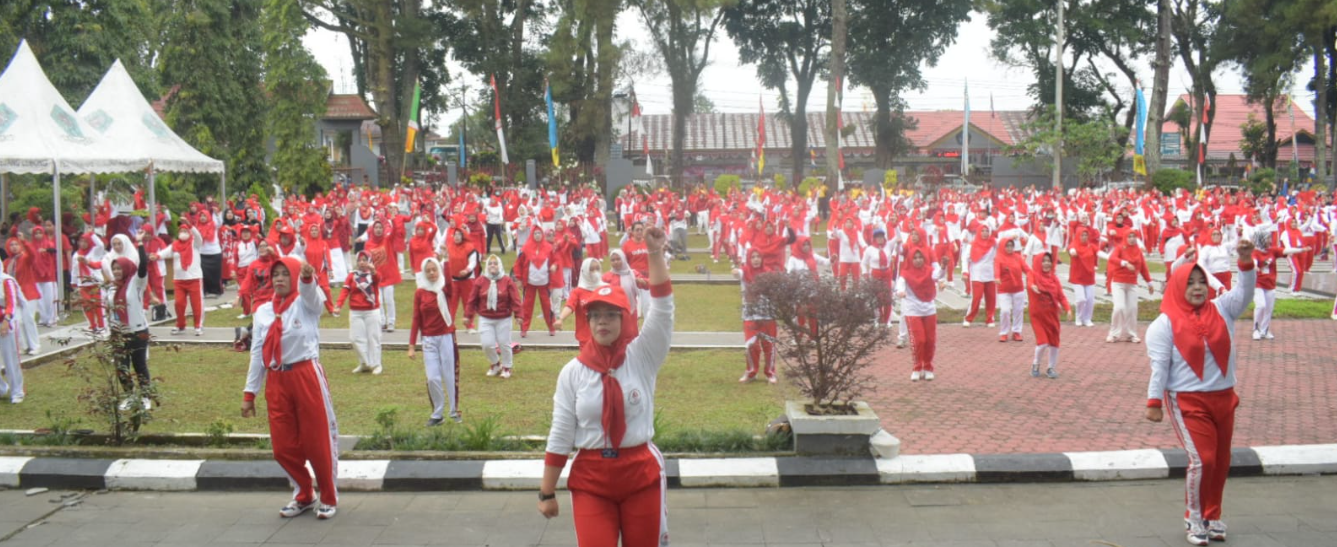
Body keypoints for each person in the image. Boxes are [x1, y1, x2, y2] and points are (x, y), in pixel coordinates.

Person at [538, 225, 672, 547]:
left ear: (625, 319)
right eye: (595, 315)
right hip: (591, 480)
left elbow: (663, 310)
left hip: (640, 474)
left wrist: (655, 253)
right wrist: (546, 491)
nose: (602, 321)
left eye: (611, 315)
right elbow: (561, 433)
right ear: (587, 321)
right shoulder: (572, 373)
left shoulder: (642, 356)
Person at [1145, 238, 1255, 546]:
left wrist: (1246, 262)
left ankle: (1212, 515)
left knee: (1220, 461)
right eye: (1190, 282)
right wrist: (1154, 401)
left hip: (1224, 397)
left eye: (1202, 282)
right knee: (1202, 459)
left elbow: (1245, 292)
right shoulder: (1163, 324)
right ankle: (1193, 518)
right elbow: (1159, 366)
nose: (1197, 287)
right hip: (1188, 400)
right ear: (1178, 286)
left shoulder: (1223, 309)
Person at [241, 257, 339, 520]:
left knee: (317, 441)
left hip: (306, 375)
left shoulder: (305, 304)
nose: (280, 279)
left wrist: (307, 279)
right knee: (282, 447)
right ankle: (304, 493)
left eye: (286, 274)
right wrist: (249, 393)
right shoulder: (263, 312)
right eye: (276, 274)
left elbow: (314, 299)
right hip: (277, 380)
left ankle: (328, 497)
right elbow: (256, 353)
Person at [408, 257, 461, 425]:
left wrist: (446, 260)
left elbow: (451, 284)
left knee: (449, 375)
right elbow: (416, 319)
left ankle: (453, 411)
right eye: (428, 271)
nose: (432, 273)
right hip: (429, 339)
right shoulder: (420, 292)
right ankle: (437, 414)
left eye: (434, 269)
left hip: (446, 336)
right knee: (432, 378)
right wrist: (411, 345)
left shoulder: (445, 289)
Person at [108, 244, 153, 410]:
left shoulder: (136, 282)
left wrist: (140, 245)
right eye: (114, 269)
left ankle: (146, 397)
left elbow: (143, 265)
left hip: (137, 331)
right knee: (121, 367)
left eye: (119, 268)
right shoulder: (112, 286)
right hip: (118, 332)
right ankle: (130, 396)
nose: (116, 271)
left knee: (139, 365)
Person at [466, 254, 521, 378]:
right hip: (485, 318)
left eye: (495, 263)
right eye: (490, 263)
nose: (492, 266)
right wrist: (468, 316)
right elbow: (472, 300)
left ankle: (507, 367)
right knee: (486, 344)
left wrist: (518, 314)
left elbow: (515, 299)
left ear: (499, 266)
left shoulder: (507, 281)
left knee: (504, 344)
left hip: (503, 317)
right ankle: (495, 364)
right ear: (487, 266)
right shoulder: (480, 281)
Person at [897, 242, 943, 381]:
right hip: (913, 311)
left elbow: (938, 275)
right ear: (910, 259)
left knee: (930, 340)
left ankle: (928, 367)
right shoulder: (905, 273)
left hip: (929, 310)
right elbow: (900, 286)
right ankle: (917, 367)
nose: (918, 260)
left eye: (920, 257)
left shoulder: (930, 270)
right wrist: (900, 292)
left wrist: (944, 267)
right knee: (919, 340)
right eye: (915, 258)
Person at [335, 251, 383, 375]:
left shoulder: (373, 274)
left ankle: (376, 364)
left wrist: (373, 271)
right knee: (355, 338)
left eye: (364, 260)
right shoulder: (352, 276)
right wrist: (339, 305)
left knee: (373, 338)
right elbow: (345, 291)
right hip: (355, 311)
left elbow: (378, 279)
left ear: (369, 261)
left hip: (372, 311)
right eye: (359, 260)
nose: (362, 263)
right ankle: (364, 362)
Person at [154, 222, 205, 335]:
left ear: (190, 233)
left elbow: (199, 237)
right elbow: (165, 252)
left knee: (196, 304)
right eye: (181, 231)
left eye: (185, 231)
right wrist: (156, 256)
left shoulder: (195, 243)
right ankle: (180, 325)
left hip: (194, 278)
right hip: (179, 280)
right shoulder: (175, 245)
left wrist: (190, 225)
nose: (183, 233)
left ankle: (198, 325)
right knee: (179, 303)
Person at [733, 249, 777, 383]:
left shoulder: (768, 273)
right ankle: (751, 372)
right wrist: (735, 271)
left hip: (767, 315)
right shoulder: (745, 272)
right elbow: (737, 274)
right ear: (749, 259)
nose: (756, 259)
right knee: (751, 345)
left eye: (758, 256)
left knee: (769, 346)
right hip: (750, 316)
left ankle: (770, 373)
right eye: (753, 257)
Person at [1105, 231, 1155, 343]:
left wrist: (1149, 282)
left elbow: (1143, 267)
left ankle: (1131, 334)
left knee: (1132, 308)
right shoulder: (1119, 248)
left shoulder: (1138, 250)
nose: (1132, 239)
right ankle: (1114, 334)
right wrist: (1124, 263)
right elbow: (1112, 258)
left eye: (1134, 236)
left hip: (1132, 283)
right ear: (1125, 238)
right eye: (1129, 237)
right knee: (1119, 307)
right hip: (1118, 282)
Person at [1027, 252, 1071, 379]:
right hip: (1038, 316)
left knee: (1054, 342)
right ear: (1038, 262)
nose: (1047, 263)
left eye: (1049, 261)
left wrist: (1068, 309)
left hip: (1052, 316)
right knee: (1042, 343)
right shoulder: (1033, 274)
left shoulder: (1054, 278)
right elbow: (1030, 282)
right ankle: (1036, 364)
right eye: (1044, 261)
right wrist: (1033, 286)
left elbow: (1061, 296)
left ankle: (1051, 367)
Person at [514, 229, 558, 338]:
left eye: (539, 233)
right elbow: (518, 264)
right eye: (535, 233)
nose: (537, 235)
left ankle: (552, 327)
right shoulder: (525, 248)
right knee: (526, 306)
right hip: (529, 283)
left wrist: (554, 266)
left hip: (545, 283)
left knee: (547, 306)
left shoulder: (549, 248)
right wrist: (519, 279)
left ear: (542, 235)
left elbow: (556, 260)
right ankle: (524, 328)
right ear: (532, 235)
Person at [994, 237, 1030, 343]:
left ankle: (1017, 331)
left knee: (1018, 310)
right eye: (1007, 246)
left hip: (1018, 289)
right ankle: (1004, 332)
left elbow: (1027, 269)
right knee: (1005, 311)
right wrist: (997, 278)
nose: (1009, 248)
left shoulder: (1018, 257)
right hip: (1004, 290)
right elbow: (996, 270)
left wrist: (1033, 276)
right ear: (1002, 246)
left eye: (1011, 246)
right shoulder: (999, 258)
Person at [444, 228, 479, 330]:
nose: (457, 237)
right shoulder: (450, 246)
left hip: (467, 279)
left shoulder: (469, 247)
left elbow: (473, 262)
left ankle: (469, 325)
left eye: (459, 234)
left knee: (468, 302)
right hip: (454, 280)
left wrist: (466, 270)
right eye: (455, 234)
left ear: (463, 236)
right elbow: (447, 260)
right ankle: (449, 325)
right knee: (452, 303)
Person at [0, 269, 25, 403]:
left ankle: (17, 391)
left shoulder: (6, 280)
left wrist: (6, 320)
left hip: (6, 322)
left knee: (10, 358)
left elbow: (12, 303)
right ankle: (1, 388)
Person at [1067, 229, 1098, 327]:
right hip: (1077, 277)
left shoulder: (1091, 246)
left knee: (1089, 299)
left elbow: (1098, 253)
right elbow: (1070, 248)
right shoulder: (1074, 245)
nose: (1084, 237)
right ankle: (1079, 317)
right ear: (1078, 236)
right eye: (1082, 235)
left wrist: (1109, 257)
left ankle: (1087, 318)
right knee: (1081, 299)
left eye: (1086, 235)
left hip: (1089, 277)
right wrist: (1072, 251)